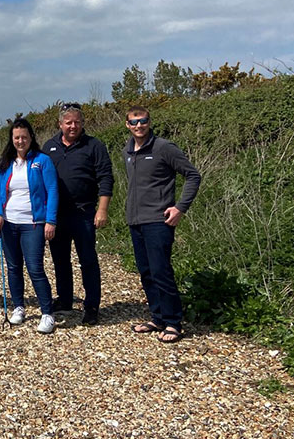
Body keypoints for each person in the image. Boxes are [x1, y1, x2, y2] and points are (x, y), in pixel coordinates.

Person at [124, 106, 201, 343]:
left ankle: (173, 322)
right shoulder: (127, 150)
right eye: (134, 122)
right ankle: (157, 317)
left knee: (161, 271)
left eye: (143, 121)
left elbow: (193, 175)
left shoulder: (163, 148)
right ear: (127, 125)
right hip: (135, 220)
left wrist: (180, 207)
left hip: (158, 220)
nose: (139, 126)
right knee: (146, 272)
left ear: (149, 122)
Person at [43, 103, 114, 325]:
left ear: (82, 123)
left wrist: (102, 209)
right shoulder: (49, 147)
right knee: (60, 260)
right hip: (56, 215)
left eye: (77, 122)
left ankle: (92, 305)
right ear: (60, 124)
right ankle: (65, 299)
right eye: (69, 122)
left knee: (88, 260)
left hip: (84, 213)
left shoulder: (94, 145)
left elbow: (106, 178)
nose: (73, 126)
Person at [0, 119, 59, 334]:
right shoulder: (6, 162)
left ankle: (47, 312)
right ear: (12, 139)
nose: (20, 141)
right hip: (9, 223)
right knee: (13, 267)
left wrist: (51, 220)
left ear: (31, 138)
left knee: (35, 267)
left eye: (24, 137)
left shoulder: (42, 161)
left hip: (33, 223)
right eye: (17, 137)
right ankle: (18, 306)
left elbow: (53, 190)